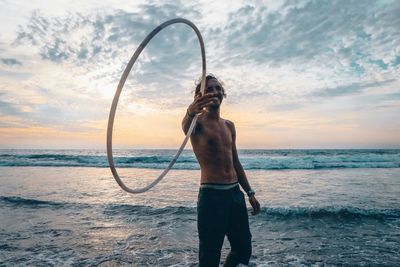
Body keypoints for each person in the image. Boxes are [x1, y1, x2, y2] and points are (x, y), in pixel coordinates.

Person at [182, 74, 261, 267]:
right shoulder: (196, 123)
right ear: (199, 96)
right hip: (211, 197)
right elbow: (185, 125)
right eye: (209, 89)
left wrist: (250, 193)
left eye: (218, 88)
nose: (215, 92)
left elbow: (235, 162)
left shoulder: (229, 125)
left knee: (243, 250)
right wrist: (190, 111)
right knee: (209, 256)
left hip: (235, 195)